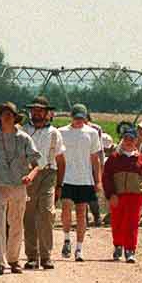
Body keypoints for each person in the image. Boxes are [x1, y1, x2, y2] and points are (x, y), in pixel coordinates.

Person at [0, 103, 39, 275]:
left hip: (19, 186)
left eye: (10, 114)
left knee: (16, 224)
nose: (7, 117)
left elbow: (36, 164)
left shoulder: (24, 139)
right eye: (4, 114)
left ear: (15, 117)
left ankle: (13, 259)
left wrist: (30, 176)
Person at [101, 125, 142, 262]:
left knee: (132, 223)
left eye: (131, 139)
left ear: (136, 141)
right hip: (118, 196)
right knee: (117, 221)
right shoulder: (114, 158)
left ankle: (130, 250)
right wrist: (111, 194)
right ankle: (118, 245)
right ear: (123, 140)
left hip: (135, 196)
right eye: (126, 138)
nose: (128, 141)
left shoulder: (141, 159)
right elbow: (106, 177)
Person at [54, 104, 103, 262]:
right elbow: (57, 156)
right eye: (76, 117)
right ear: (71, 117)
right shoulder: (61, 132)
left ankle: (79, 248)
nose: (79, 121)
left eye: (82, 118)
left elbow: (95, 159)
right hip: (67, 177)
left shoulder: (92, 133)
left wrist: (98, 180)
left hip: (84, 179)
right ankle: (67, 238)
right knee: (66, 207)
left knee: (82, 212)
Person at [20, 98, 63, 269]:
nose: (36, 113)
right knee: (28, 215)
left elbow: (60, 159)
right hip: (28, 175)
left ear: (46, 113)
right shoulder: (24, 131)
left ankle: (46, 256)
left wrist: (59, 184)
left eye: (40, 110)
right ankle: (31, 256)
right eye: (34, 110)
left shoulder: (54, 133)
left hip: (48, 174)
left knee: (46, 213)